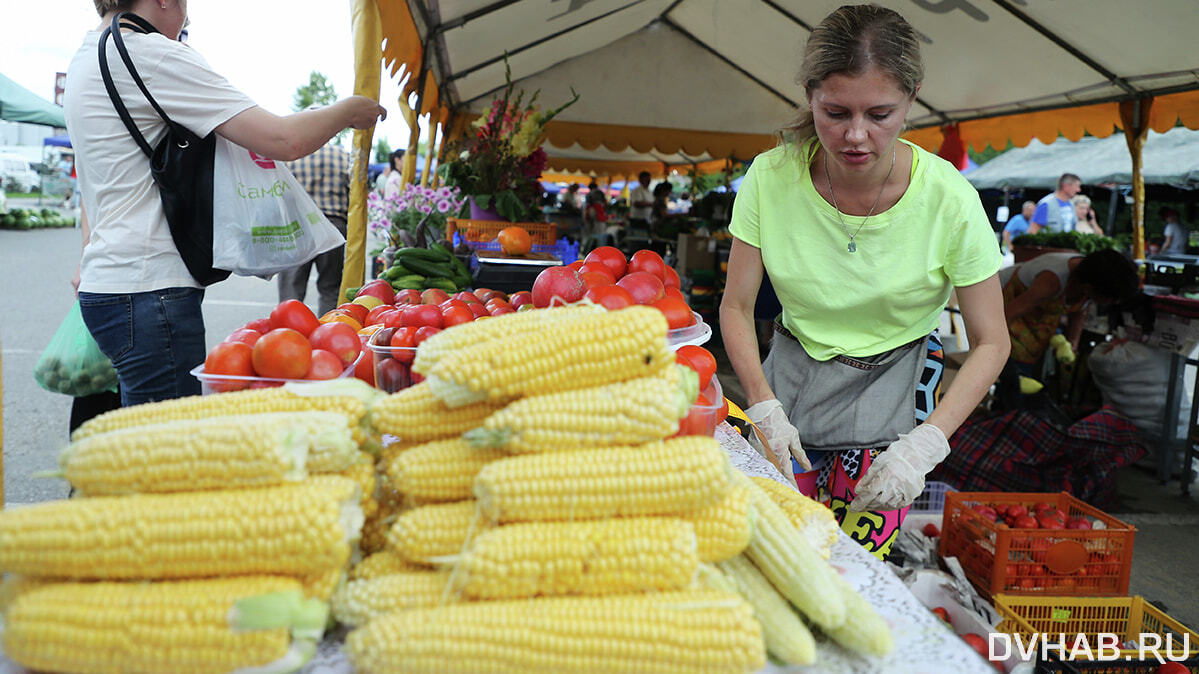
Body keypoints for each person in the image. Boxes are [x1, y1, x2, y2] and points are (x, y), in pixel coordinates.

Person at [719, 4, 1009, 560]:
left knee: (853, 564)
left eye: (880, 114)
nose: (856, 136)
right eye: (835, 112)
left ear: (912, 99)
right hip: (788, 377)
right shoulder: (770, 178)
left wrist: (926, 445)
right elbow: (735, 306)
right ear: (809, 95)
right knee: (773, 548)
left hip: (896, 386)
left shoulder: (950, 200)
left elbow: (993, 342)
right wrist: (760, 403)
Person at [65, 0, 386, 406]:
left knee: (143, 440)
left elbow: (91, 183)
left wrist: (85, 255)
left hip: (109, 286)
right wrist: (348, 110)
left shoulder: (86, 59)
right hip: (152, 291)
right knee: (170, 447)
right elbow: (284, 139)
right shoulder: (151, 55)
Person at [999, 249, 1139, 369]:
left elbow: (1080, 311)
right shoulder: (1051, 281)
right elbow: (1008, 315)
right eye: (1112, 298)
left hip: (1033, 316)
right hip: (1007, 304)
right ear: (1090, 288)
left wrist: (1072, 343)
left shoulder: (1090, 280)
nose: (1114, 302)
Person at [277, 137, 352, 316]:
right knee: (330, 287)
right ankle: (328, 332)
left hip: (298, 226)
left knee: (291, 289)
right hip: (333, 226)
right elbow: (353, 195)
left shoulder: (290, 157)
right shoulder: (343, 156)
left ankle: (289, 333)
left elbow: (280, 193)